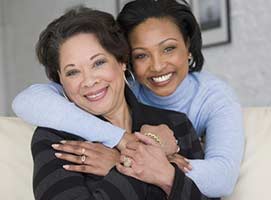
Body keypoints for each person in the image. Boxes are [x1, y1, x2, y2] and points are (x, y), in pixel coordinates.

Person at [12, 0, 244, 197]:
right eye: (73, 72)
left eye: (99, 63)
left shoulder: (177, 124)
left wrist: (123, 161)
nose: (89, 80)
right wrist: (140, 161)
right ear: (60, 80)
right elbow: (27, 100)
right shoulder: (53, 137)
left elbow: (216, 185)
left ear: (122, 61)